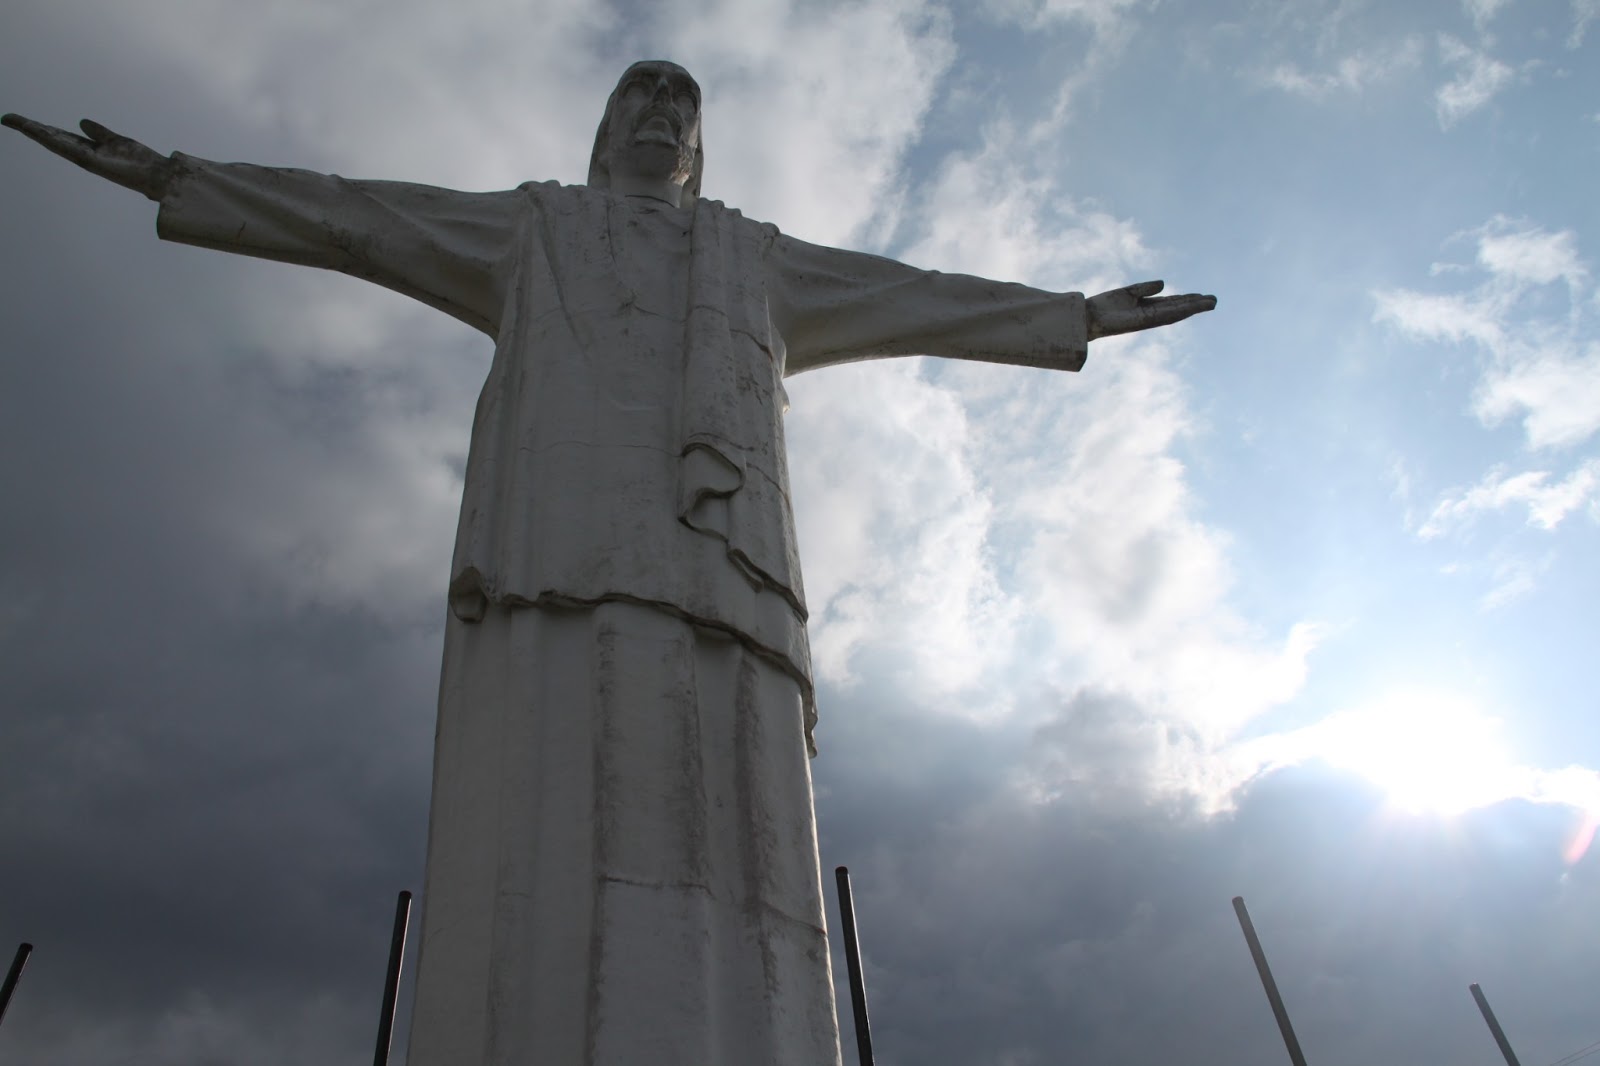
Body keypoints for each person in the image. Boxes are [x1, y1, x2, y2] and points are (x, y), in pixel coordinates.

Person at [4, 59, 1214, 1066]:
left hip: (726, 570)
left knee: (742, 826)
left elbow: (914, 297)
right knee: (543, 799)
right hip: (555, 545)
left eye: (680, 116)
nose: (658, 125)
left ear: (699, 152)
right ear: (602, 133)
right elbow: (357, 217)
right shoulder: (535, 226)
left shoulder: (756, 258)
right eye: (638, 106)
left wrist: (1069, 315)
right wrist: (178, 177)